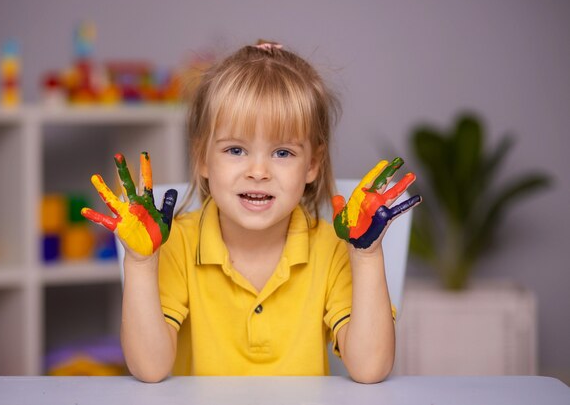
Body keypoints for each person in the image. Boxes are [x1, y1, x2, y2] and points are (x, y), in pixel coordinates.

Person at [81, 40, 421, 383]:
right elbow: (150, 369)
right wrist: (140, 263)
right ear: (201, 158)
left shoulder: (330, 246)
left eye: (283, 153)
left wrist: (365, 257)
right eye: (236, 149)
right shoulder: (178, 243)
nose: (258, 171)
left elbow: (371, 368)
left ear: (312, 164)